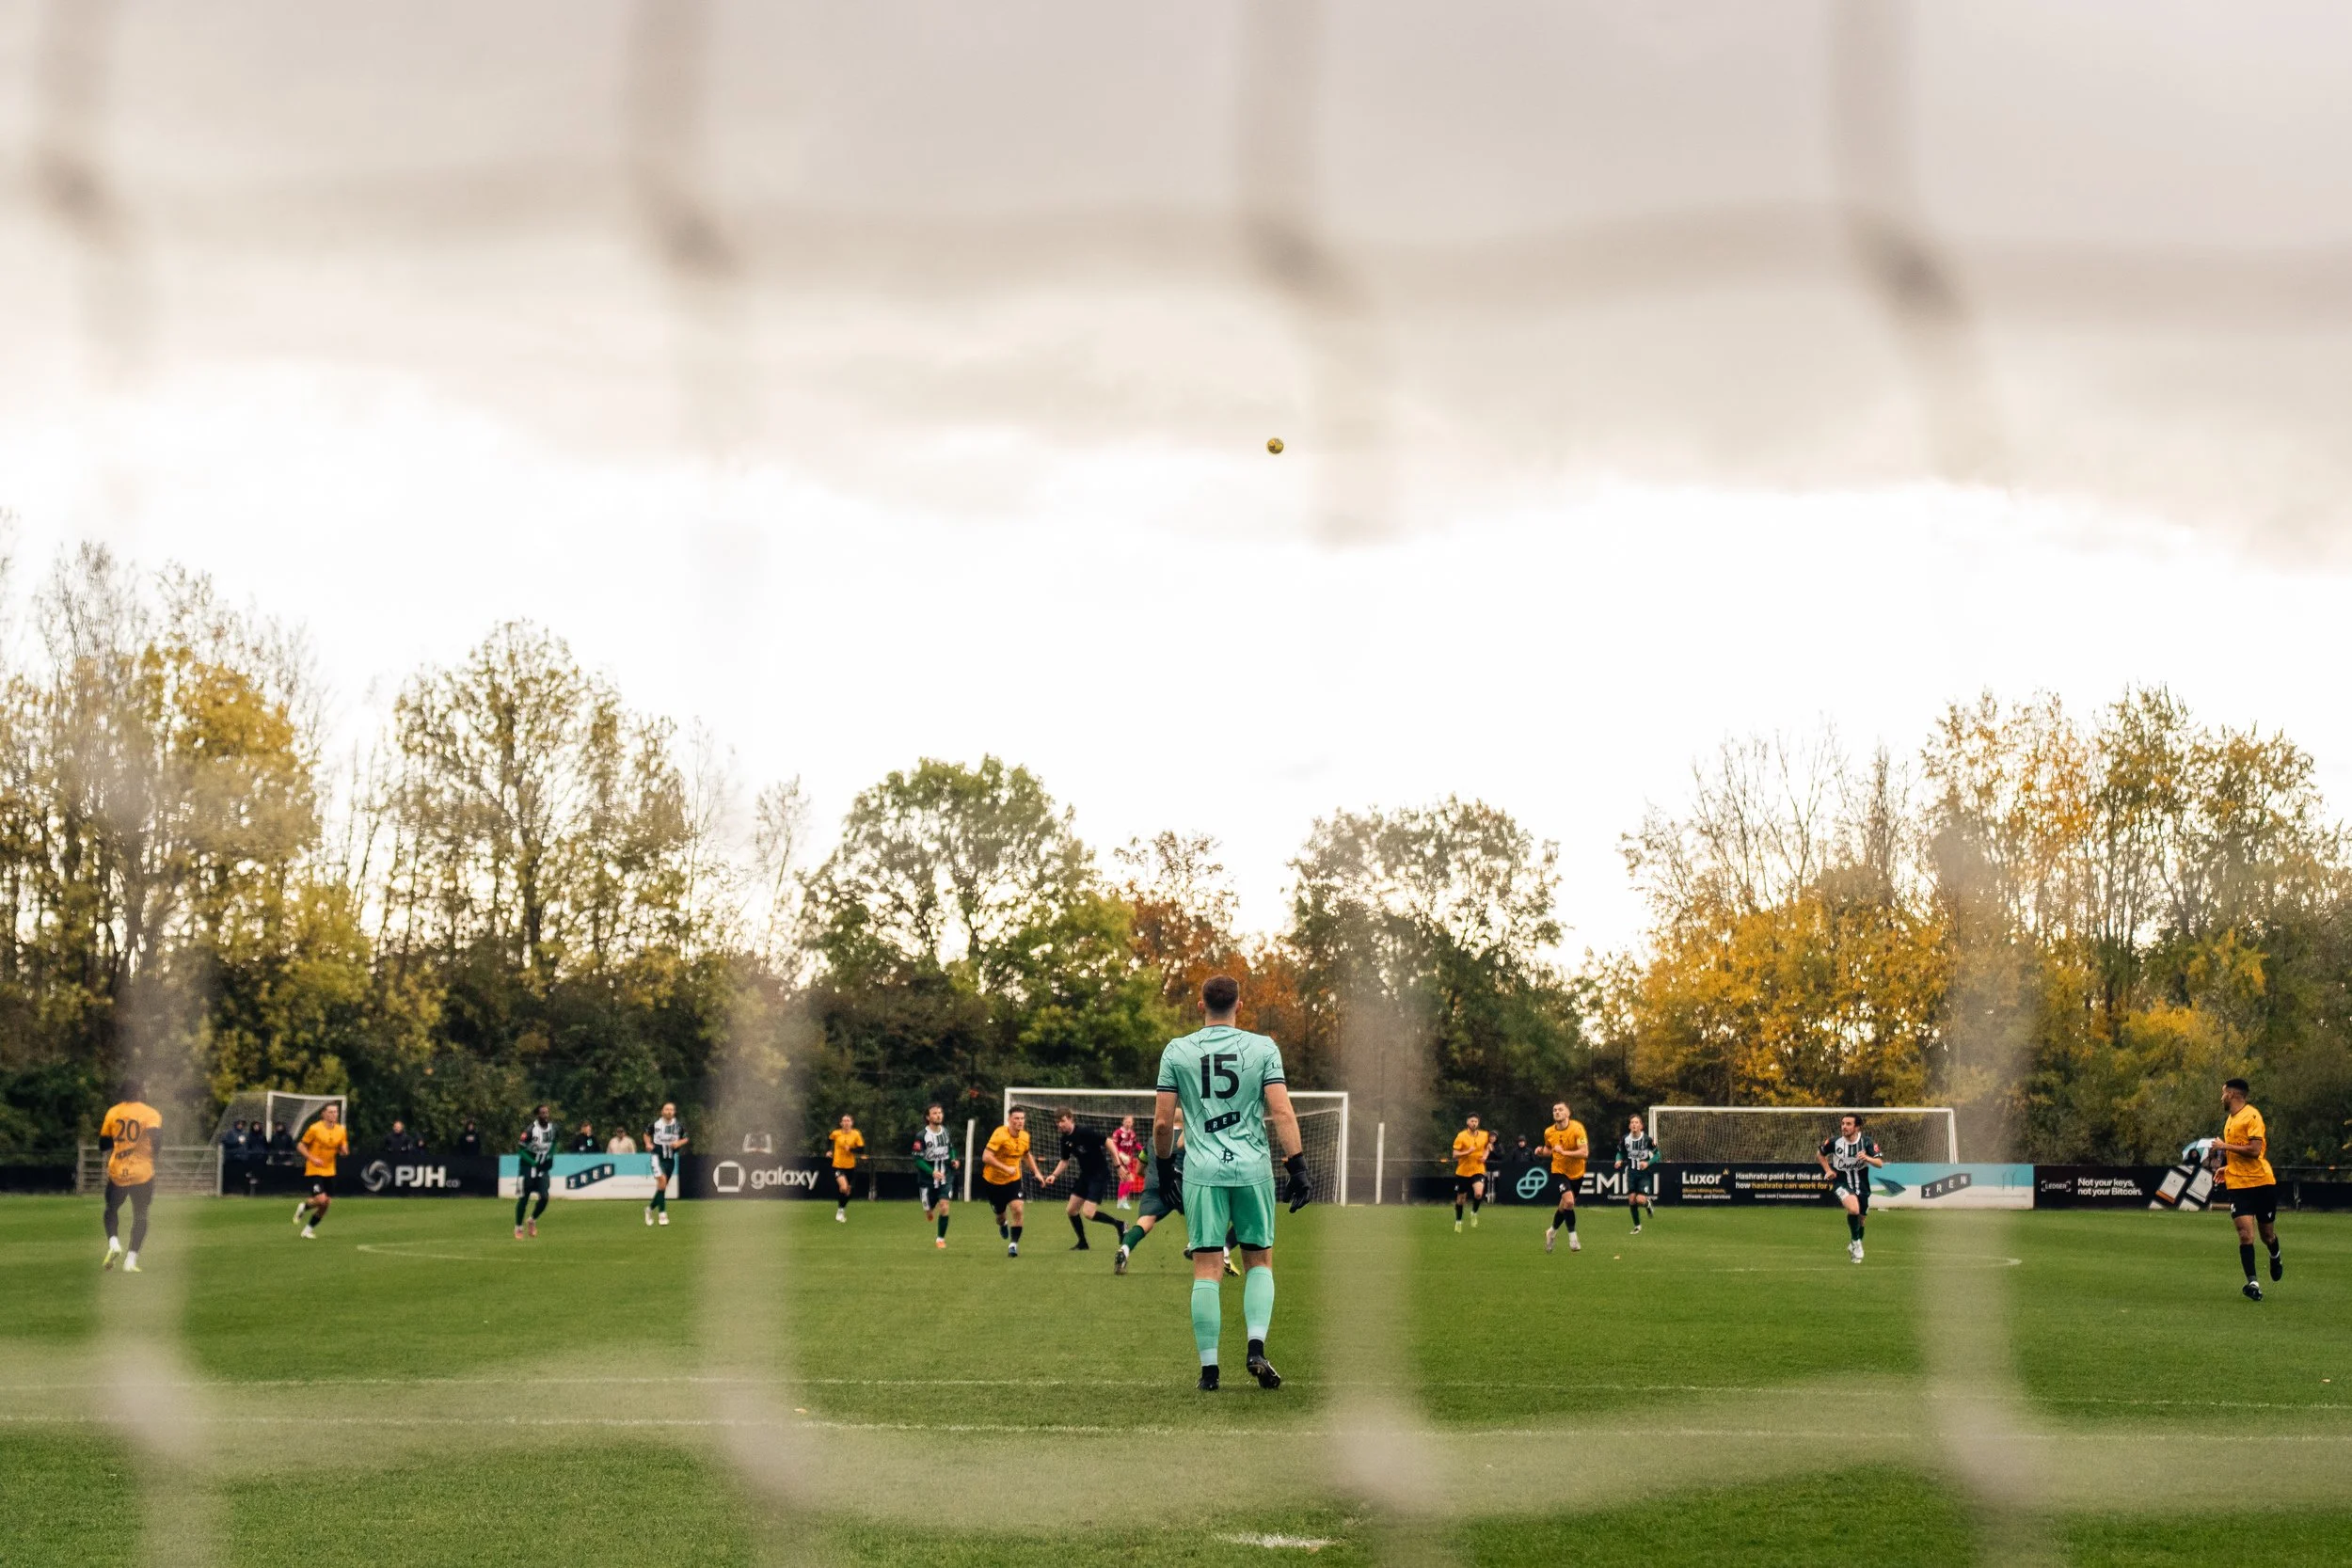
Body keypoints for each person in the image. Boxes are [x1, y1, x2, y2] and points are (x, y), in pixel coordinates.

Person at [1156, 974, 1310, 1390]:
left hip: (1202, 1172)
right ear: (1239, 1005)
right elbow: (1282, 1112)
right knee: (1259, 1259)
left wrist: (1163, 1166)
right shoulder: (1262, 1048)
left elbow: (1161, 1122)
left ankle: (1209, 1373)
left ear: (1201, 1003)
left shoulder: (1177, 1050)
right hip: (1253, 1170)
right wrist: (1298, 1166)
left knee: (1206, 1269)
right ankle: (1255, 1347)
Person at [2217, 1077, 2283, 1301]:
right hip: (2238, 1185)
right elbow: (2238, 1154)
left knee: (2267, 1235)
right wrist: (2227, 1168)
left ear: (2233, 1095)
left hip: (2262, 1183)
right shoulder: (2229, 1119)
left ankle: (2275, 1253)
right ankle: (2253, 1283)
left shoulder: (2252, 1116)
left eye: (2224, 1093)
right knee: (2246, 1235)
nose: (2222, 1097)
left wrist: (2224, 1146)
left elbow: (2255, 1151)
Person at [99, 1079, 163, 1273]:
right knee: (141, 1213)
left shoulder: (113, 1112)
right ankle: (130, 1261)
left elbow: (103, 1144)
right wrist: (152, 1155)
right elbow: (157, 1139)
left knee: (111, 1209)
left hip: (118, 1170)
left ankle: (113, 1242)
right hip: (142, 1172)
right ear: (139, 1093)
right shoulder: (150, 1113)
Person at [1044, 1108, 1129, 1251]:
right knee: (1071, 1210)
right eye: (1058, 1122)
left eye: (1063, 1121)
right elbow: (1064, 1161)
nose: (1060, 1124)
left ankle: (1120, 1224)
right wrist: (1054, 1175)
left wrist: (1118, 1165)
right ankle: (1083, 1243)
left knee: (1088, 1213)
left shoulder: (1084, 1132)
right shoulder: (1065, 1139)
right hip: (1086, 1175)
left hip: (1099, 1175)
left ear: (1071, 1119)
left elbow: (1108, 1142)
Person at [979, 1107, 1047, 1257]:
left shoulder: (1025, 1136)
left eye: (1022, 1118)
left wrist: (1036, 1172)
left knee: (1017, 1208)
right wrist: (1005, 1168)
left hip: (1013, 1180)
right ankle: (1003, 1224)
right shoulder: (1000, 1134)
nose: (1020, 1121)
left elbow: (1027, 1155)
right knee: (1000, 1216)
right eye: (1016, 1118)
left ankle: (1013, 1245)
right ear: (1009, 1120)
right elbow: (986, 1157)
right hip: (993, 1182)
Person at [1817, 1114, 1881, 1261]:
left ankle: (1854, 1244)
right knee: (1853, 1209)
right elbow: (1820, 1154)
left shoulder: (1866, 1142)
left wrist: (1867, 1158)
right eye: (1843, 1123)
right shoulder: (1834, 1142)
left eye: (1848, 1124)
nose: (1844, 1127)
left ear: (1857, 1127)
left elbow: (1879, 1163)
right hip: (1841, 1181)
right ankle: (1856, 1243)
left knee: (1861, 1220)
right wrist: (1828, 1170)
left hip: (1862, 1184)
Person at [294, 1103, 349, 1240]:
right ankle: (304, 1206)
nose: (334, 1115)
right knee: (321, 1199)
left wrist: (343, 1151)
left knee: (326, 1204)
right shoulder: (315, 1128)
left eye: (336, 1112)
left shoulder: (341, 1130)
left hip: (330, 1170)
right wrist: (312, 1158)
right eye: (330, 1112)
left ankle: (307, 1230)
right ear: (323, 1114)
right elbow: (300, 1146)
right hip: (315, 1169)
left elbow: (344, 1148)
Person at [1542, 1101, 1589, 1254]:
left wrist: (1564, 1152)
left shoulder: (1577, 1128)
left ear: (1568, 1113)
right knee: (1569, 1201)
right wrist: (1540, 1152)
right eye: (1554, 1110)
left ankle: (1552, 1231)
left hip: (1577, 1173)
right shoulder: (1549, 1132)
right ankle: (1573, 1239)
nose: (1557, 1112)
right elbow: (1548, 1149)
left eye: (1560, 1109)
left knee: (1565, 1206)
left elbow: (1584, 1153)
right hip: (1559, 1170)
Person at [912, 1103, 959, 1248]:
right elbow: (918, 1160)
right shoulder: (921, 1136)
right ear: (928, 1117)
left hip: (945, 1174)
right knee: (929, 1208)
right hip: (927, 1178)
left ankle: (940, 1239)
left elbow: (951, 1148)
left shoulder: (945, 1131)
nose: (938, 1115)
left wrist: (953, 1159)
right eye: (934, 1113)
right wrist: (932, 1172)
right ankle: (929, 1209)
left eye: (940, 1112)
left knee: (944, 1206)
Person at [516, 1105, 556, 1238]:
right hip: (527, 1167)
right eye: (542, 1113)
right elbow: (520, 1149)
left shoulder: (553, 1128)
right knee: (524, 1199)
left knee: (544, 1197)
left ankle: (532, 1220)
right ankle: (518, 1227)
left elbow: (555, 1142)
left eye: (547, 1112)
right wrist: (533, 1163)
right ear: (537, 1115)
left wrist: (550, 1154)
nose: (545, 1115)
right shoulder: (530, 1130)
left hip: (542, 1168)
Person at [644, 1102, 686, 1227]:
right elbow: (646, 1133)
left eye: (671, 1109)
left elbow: (686, 1137)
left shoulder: (678, 1126)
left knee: (662, 1188)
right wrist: (648, 1144)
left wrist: (679, 1143)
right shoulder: (656, 1124)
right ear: (662, 1111)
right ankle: (662, 1214)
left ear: (674, 1112)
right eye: (666, 1109)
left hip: (670, 1159)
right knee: (662, 1181)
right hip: (657, 1157)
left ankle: (649, 1209)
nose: (669, 1111)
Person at [1617, 1114, 1661, 1233]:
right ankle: (1637, 1226)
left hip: (1644, 1173)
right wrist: (1618, 1160)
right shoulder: (1625, 1139)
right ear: (1629, 1126)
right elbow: (1620, 1152)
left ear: (1641, 1126)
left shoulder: (1647, 1140)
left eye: (1637, 1122)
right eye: (1632, 1122)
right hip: (1631, 1173)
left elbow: (1658, 1155)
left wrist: (1647, 1163)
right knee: (1631, 1199)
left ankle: (1648, 1204)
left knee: (1640, 1199)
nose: (1634, 1124)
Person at [1450, 1114, 1492, 1232]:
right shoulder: (1461, 1136)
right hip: (1463, 1171)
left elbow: (1488, 1147)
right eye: (1472, 1121)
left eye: (1476, 1121)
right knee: (1460, 1199)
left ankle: (1474, 1213)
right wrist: (1467, 1152)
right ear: (1467, 1122)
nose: (1474, 1123)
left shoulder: (1484, 1135)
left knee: (1478, 1193)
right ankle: (1458, 1221)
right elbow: (1454, 1154)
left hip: (1478, 1169)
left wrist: (1485, 1156)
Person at [825, 1114, 865, 1222]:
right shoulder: (836, 1133)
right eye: (844, 1121)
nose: (846, 1123)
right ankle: (840, 1212)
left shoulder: (856, 1134)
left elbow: (861, 1150)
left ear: (852, 1123)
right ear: (841, 1123)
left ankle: (841, 1210)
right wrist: (828, 1151)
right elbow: (829, 1140)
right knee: (843, 1187)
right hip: (838, 1165)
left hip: (850, 1166)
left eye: (848, 1121)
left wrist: (851, 1149)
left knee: (847, 1191)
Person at [1111, 1115, 1145, 1209]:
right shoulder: (1118, 1133)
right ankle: (1123, 1200)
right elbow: (1113, 1145)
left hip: (1128, 1159)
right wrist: (1120, 1154)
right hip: (1120, 1159)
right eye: (1127, 1122)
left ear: (1132, 1123)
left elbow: (1134, 1144)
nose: (1128, 1124)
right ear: (1123, 1122)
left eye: (1130, 1122)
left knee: (1124, 1180)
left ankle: (1120, 1202)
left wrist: (1142, 1149)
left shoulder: (1132, 1133)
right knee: (1129, 1179)